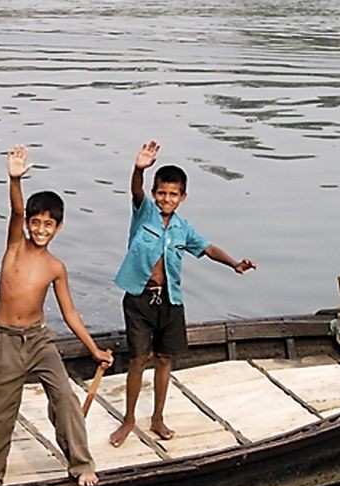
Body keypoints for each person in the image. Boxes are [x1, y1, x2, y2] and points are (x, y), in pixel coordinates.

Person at [0, 145, 113, 486]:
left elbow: (69, 313)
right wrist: (14, 178)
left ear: (58, 228)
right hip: (4, 340)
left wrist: (94, 349)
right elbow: (17, 211)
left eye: (47, 224)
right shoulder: (14, 247)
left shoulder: (55, 267)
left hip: (39, 340)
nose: (39, 229)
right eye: (36, 223)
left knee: (65, 398)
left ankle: (80, 464)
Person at [109, 140, 256, 448]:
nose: (166, 198)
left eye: (173, 194)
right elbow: (135, 190)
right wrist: (139, 168)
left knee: (164, 359)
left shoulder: (183, 229)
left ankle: (158, 418)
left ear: (182, 197)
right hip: (139, 299)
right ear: (154, 193)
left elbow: (209, 248)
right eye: (161, 192)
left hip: (170, 300)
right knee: (138, 359)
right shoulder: (144, 213)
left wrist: (234, 264)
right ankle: (129, 419)